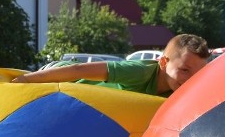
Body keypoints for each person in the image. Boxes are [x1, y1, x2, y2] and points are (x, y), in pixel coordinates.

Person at [12, 34, 210, 97]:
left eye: (196, 75)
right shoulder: (140, 72)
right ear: (163, 62)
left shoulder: (179, 92)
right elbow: (78, 70)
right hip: (64, 76)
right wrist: (25, 80)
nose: (189, 80)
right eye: (184, 70)